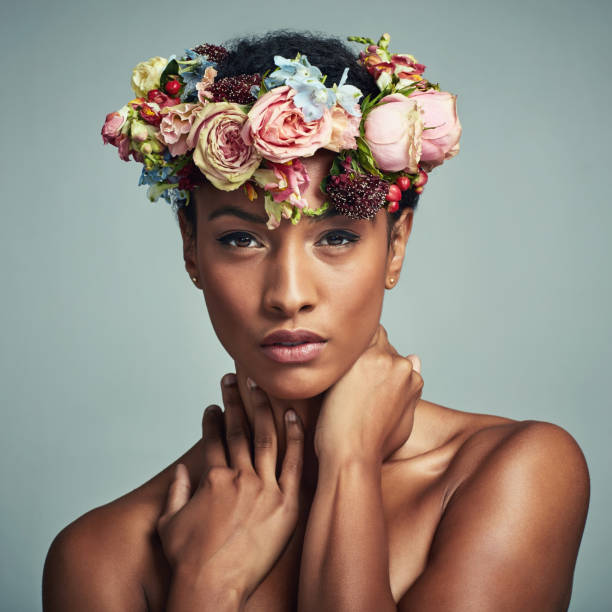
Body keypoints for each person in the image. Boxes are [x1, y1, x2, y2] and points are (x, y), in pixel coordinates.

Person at [42, 31, 589, 611]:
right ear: (192, 251)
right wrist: (206, 587)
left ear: (395, 247)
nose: (289, 295)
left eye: (335, 237)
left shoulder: (513, 473)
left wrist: (348, 462)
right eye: (240, 239)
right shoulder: (103, 553)